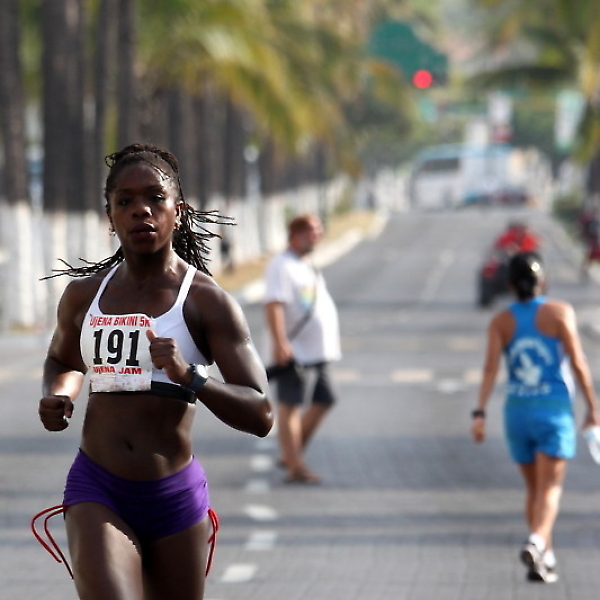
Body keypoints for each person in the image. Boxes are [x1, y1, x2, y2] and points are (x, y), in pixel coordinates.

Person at [36, 143, 273, 600]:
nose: (140, 210)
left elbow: (260, 413)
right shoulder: (84, 296)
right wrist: (60, 393)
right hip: (98, 486)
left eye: (155, 198)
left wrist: (191, 377)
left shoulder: (205, 301)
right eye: (125, 200)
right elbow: (64, 361)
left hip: (173, 496)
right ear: (109, 216)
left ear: (177, 212)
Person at [471, 251, 599, 584]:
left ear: (510, 284)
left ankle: (545, 559)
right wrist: (593, 407)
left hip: (516, 412)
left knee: (534, 490)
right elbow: (578, 362)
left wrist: (480, 412)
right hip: (553, 411)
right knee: (551, 488)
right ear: (543, 281)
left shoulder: (500, 321)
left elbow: (490, 369)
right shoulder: (559, 312)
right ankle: (538, 541)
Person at [264, 214, 341, 484]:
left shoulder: (305, 264)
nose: (317, 235)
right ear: (295, 234)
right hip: (294, 352)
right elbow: (274, 304)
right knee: (291, 405)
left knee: (325, 399)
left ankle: (291, 453)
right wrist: (280, 343)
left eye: (318, 230)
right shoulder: (281, 265)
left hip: (316, 352)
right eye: (311, 231)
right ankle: (295, 464)